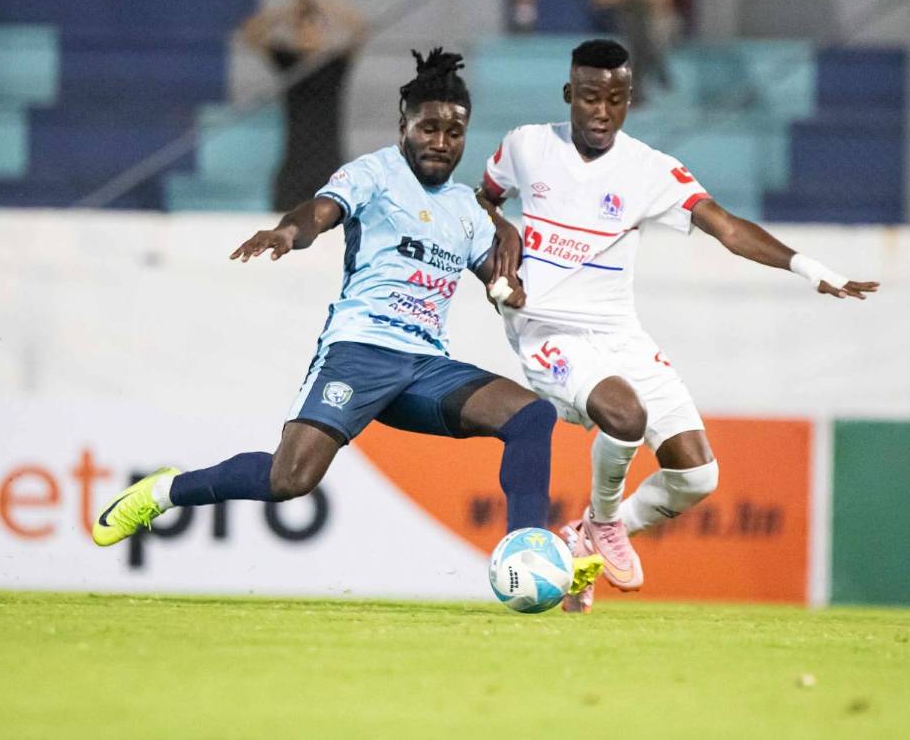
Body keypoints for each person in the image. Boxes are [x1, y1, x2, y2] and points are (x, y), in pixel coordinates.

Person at [91, 47, 604, 594]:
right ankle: (164, 493)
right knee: (289, 480)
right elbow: (319, 212)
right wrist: (287, 233)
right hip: (359, 353)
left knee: (529, 416)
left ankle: (528, 553)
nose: (441, 141)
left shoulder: (466, 208)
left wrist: (511, 273)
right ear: (404, 127)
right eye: (428, 128)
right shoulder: (375, 173)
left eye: (454, 132)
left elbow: (503, 287)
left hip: (425, 368)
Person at [477, 39, 879, 611]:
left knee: (696, 477)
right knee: (625, 415)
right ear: (569, 93)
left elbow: (728, 228)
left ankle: (581, 541)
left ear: (629, 100)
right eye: (590, 97)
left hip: (620, 335)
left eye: (615, 99)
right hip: (548, 332)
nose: (602, 111)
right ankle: (606, 523)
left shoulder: (650, 170)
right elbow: (482, 202)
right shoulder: (527, 146)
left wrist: (809, 268)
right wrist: (500, 238)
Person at [240, 0, 368, 212]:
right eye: (301, 27)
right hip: (294, 160)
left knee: (333, 220)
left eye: (314, 25)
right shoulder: (289, 62)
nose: (307, 32)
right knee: (283, 219)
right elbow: (250, 33)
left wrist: (325, 3)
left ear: (323, 30)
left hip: (328, 157)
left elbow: (360, 30)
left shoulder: (334, 64)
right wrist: (289, 9)